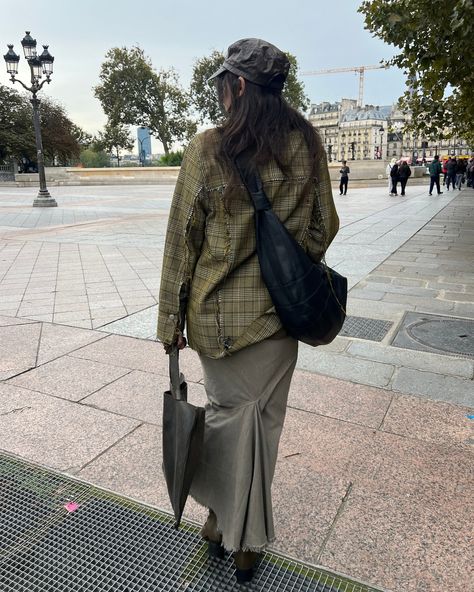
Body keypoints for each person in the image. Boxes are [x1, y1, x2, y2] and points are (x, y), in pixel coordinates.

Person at [156, 38, 339, 584]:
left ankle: (229, 530)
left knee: (225, 422)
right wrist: (287, 263)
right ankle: (235, 535)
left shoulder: (208, 149)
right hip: (281, 322)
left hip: (218, 324)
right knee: (261, 429)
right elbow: (323, 226)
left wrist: (170, 323)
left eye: (222, 83)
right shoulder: (305, 144)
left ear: (237, 86)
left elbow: (179, 243)